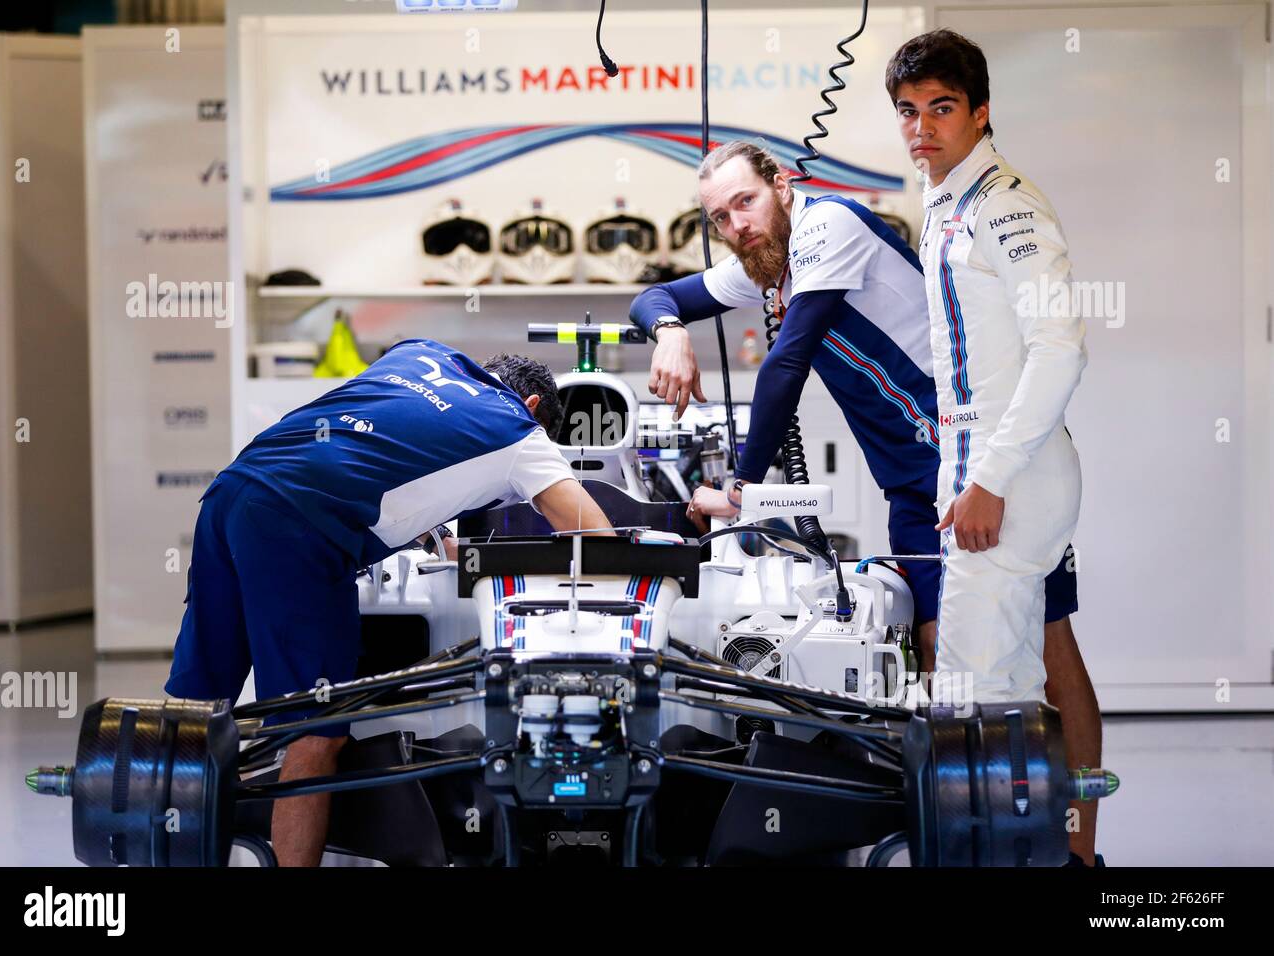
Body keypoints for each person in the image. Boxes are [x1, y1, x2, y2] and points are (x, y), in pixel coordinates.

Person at [627, 139, 1075, 693]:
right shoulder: (767, 264)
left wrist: (740, 491)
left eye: (746, 202)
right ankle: (970, 780)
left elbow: (784, 365)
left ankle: (1075, 778)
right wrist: (670, 333)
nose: (736, 225)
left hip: (969, 459)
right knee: (935, 642)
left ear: (782, 187)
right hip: (909, 482)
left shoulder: (828, 225)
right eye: (720, 216)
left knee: (1045, 638)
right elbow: (654, 297)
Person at [164, 339, 612, 865]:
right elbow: (592, 536)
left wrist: (432, 531)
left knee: (197, 711)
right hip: (302, 526)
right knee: (313, 734)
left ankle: (168, 848)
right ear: (534, 407)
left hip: (235, 489)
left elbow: (378, 446)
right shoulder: (520, 430)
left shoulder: (420, 352)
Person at [886, 29, 1102, 865]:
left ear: (980, 113)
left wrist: (992, 479)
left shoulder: (1006, 204)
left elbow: (1061, 348)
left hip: (1012, 473)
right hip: (980, 468)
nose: (922, 128)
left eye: (941, 108)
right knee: (1003, 705)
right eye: (908, 112)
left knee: (971, 713)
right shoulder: (946, 201)